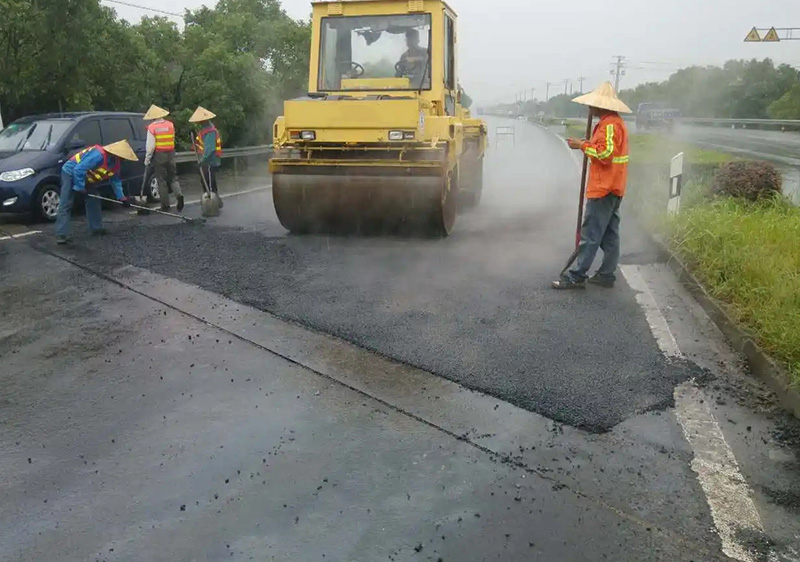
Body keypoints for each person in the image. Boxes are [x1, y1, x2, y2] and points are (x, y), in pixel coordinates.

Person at [551, 82, 631, 290]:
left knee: (591, 234)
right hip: (613, 186)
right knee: (610, 234)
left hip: (604, 187)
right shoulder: (611, 123)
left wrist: (582, 145)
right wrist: (588, 144)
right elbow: (603, 148)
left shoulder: (610, 125)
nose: (589, 108)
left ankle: (577, 275)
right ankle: (606, 274)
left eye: (592, 105)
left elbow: (605, 155)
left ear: (601, 106)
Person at [55, 140, 136, 244]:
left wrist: (122, 198)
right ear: (117, 154)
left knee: (94, 198)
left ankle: (96, 228)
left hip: (86, 176)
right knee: (66, 202)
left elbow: (115, 180)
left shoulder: (115, 163)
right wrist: (80, 187)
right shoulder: (98, 155)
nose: (124, 160)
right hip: (70, 172)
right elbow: (78, 169)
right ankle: (61, 234)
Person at [143, 104, 183, 211]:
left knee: (161, 180)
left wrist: (147, 159)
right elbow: (172, 138)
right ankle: (179, 194)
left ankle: (165, 205)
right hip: (171, 153)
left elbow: (150, 147)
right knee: (173, 177)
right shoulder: (170, 125)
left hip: (160, 155)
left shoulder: (152, 127)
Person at [189, 106, 223, 208]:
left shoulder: (210, 131)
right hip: (206, 160)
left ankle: (214, 203)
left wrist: (202, 160)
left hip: (209, 160)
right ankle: (216, 202)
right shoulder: (205, 130)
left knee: (209, 182)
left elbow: (210, 149)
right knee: (208, 181)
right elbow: (203, 145)